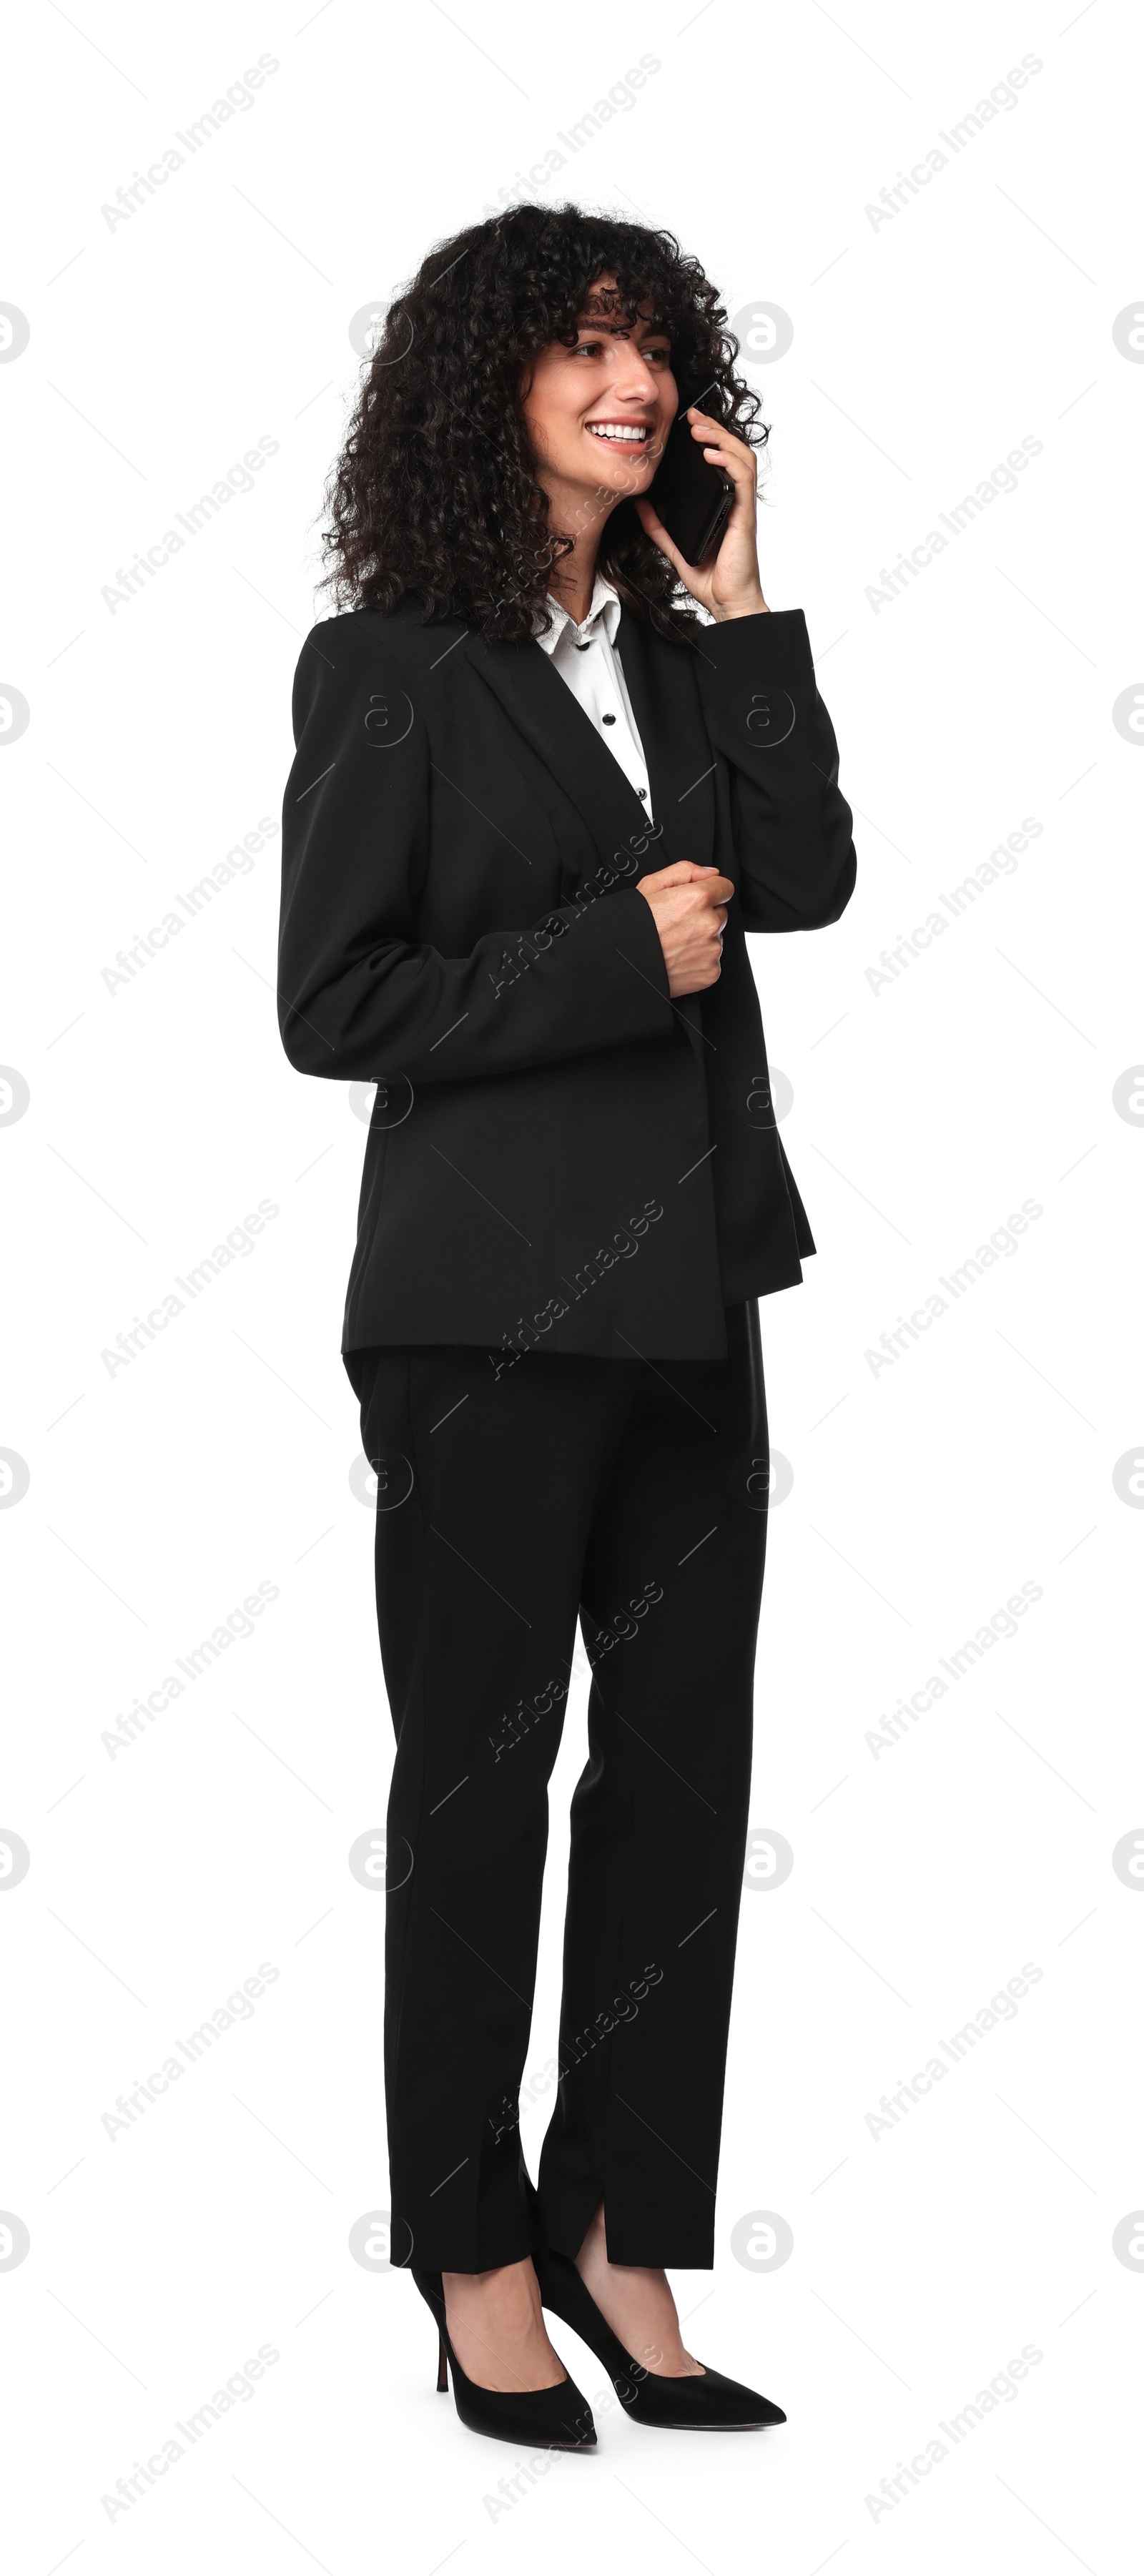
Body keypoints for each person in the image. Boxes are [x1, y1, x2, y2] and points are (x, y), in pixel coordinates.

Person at [277, 203, 856, 2449]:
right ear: (488, 380)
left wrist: (738, 603)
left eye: (655, 349)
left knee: (684, 1784)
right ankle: (472, 2244)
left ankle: (625, 2229)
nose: (630, 382)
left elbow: (798, 874)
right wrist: (618, 954)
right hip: (485, 1306)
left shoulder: (682, 639)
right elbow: (339, 1005)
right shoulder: (392, 663)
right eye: (583, 347)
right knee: (485, 1777)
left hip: (699, 1292)